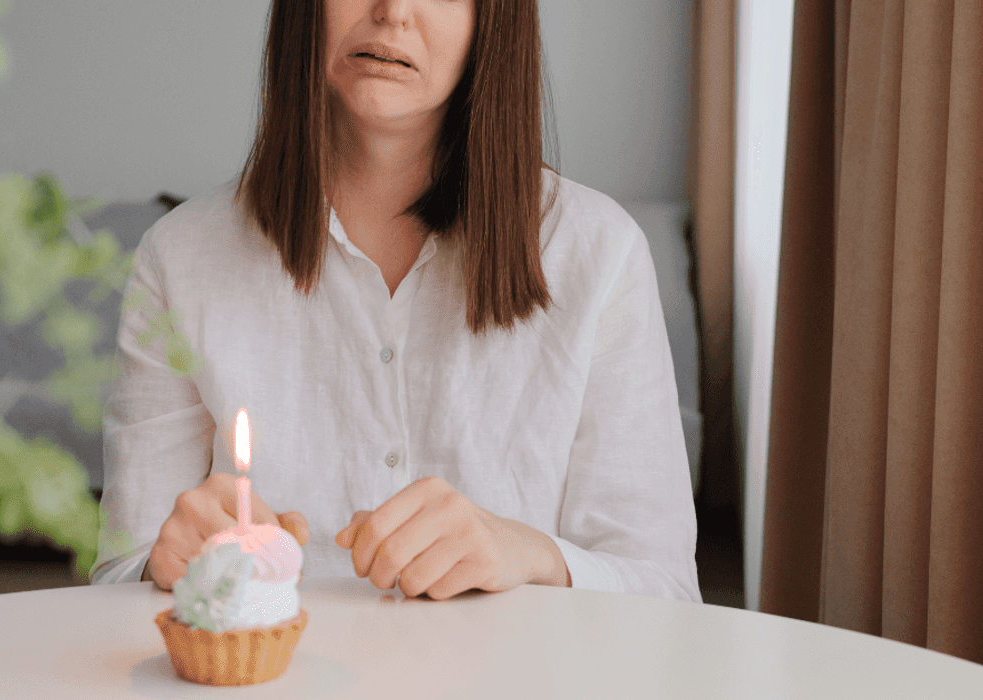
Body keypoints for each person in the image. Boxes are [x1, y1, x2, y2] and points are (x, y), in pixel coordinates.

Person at [91, 0, 701, 603]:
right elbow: (120, 577)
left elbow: (667, 595)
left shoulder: (599, 252)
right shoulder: (179, 257)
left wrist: (528, 552)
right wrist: (161, 564)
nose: (394, 10)